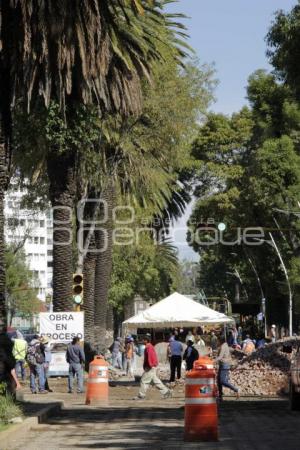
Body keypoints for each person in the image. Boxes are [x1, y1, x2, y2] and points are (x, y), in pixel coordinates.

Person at [135, 335, 171, 400]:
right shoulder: (150, 346)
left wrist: (149, 365)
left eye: (143, 340)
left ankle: (141, 395)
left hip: (150, 367)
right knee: (156, 381)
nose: (142, 341)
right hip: (151, 366)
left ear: (146, 340)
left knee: (144, 381)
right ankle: (166, 392)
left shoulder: (148, 347)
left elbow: (150, 357)